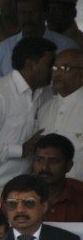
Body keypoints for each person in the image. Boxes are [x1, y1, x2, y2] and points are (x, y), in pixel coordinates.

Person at [0, 37, 55, 200]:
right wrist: (21, 150)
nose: (54, 70)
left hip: (23, 191)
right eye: (49, 64)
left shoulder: (46, 93)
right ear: (30, 65)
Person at [0, 0, 80, 80]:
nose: (27, 18)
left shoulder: (66, 47)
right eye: (23, 12)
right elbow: (1, 86)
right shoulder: (3, 49)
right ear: (17, 14)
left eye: (33, 12)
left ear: (46, 13)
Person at [37, 49, 83, 180]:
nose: (57, 73)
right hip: (46, 192)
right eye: (55, 67)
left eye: (65, 68)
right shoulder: (45, 108)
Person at [31, 133, 83, 222]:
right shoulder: (18, 196)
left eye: (53, 161)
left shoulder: (79, 197)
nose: (44, 167)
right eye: (39, 160)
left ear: (69, 166)